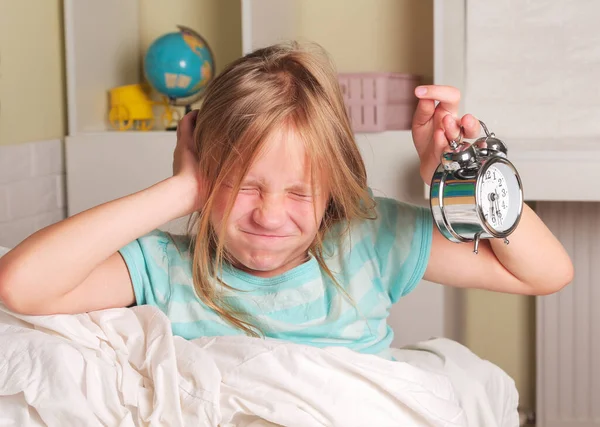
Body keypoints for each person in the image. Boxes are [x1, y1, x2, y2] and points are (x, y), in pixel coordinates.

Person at [0, 42, 573, 358]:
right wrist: (182, 190)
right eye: (243, 183)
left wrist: (468, 183)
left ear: (334, 186)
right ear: (205, 164)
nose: (270, 215)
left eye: (300, 191)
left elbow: (546, 274)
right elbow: (20, 285)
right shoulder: (164, 268)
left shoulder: (370, 241)